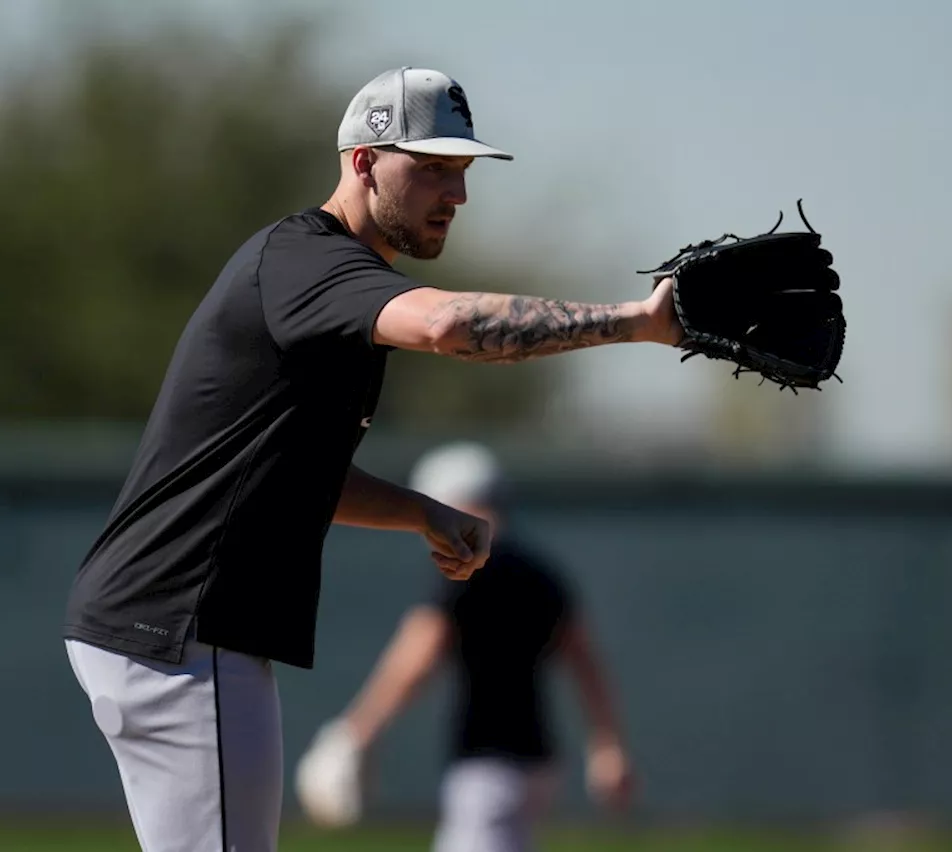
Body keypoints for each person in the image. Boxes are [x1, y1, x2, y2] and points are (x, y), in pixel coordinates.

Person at [61, 66, 678, 852]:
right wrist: (637, 322)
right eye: (430, 168)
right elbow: (452, 324)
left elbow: (290, 472)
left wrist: (422, 512)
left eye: (461, 171)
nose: (455, 192)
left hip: (166, 625)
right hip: (183, 626)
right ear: (361, 161)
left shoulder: (329, 287)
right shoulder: (308, 264)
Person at [294, 441, 634, 851]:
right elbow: (585, 658)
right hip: (538, 762)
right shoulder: (542, 572)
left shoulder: (465, 568)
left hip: (487, 763)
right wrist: (606, 744)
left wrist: (357, 730)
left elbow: (418, 654)